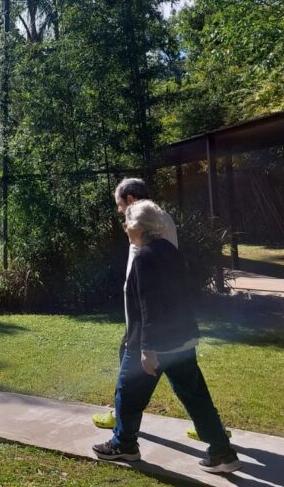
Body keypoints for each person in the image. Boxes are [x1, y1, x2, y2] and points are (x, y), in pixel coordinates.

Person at [92, 200, 242, 474]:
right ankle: (223, 452)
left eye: (127, 222)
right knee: (196, 398)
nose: (124, 227)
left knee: (127, 393)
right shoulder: (171, 252)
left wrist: (147, 349)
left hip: (153, 344)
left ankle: (124, 444)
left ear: (138, 227)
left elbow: (149, 306)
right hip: (181, 341)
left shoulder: (144, 257)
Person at [92, 178, 177, 430]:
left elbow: (151, 272)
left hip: (147, 317)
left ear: (130, 199)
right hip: (152, 315)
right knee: (184, 376)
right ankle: (208, 425)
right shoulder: (159, 218)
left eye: (120, 205)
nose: (120, 212)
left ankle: (122, 427)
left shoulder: (147, 224)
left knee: (132, 373)